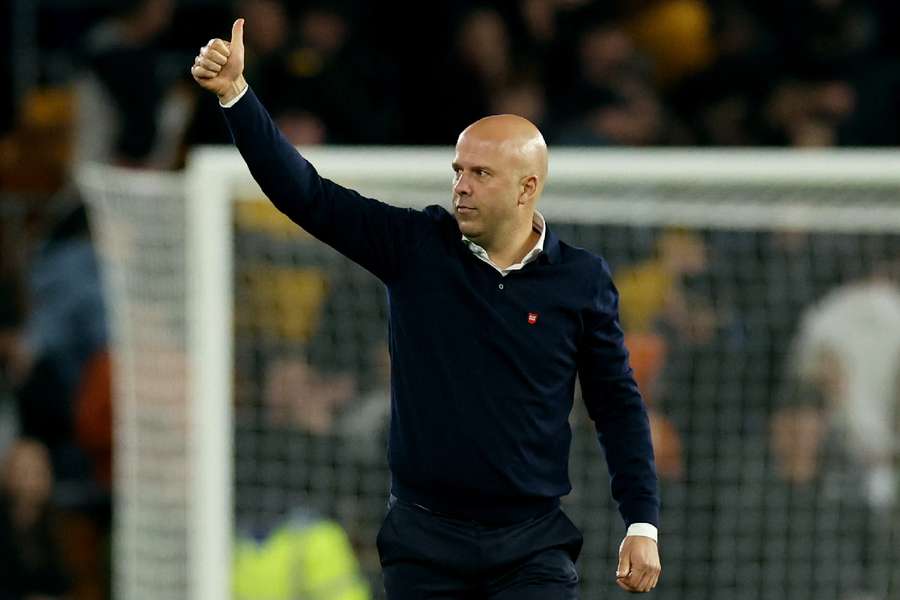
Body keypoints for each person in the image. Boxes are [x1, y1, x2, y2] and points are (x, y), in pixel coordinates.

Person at [191, 18, 661, 597]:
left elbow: (616, 405)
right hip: (424, 545)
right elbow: (305, 194)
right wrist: (238, 97)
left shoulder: (581, 280)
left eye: (480, 173)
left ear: (527, 187)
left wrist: (641, 521)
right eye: (458, 170)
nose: (461, 185)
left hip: (531, 545)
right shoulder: (417, 248)